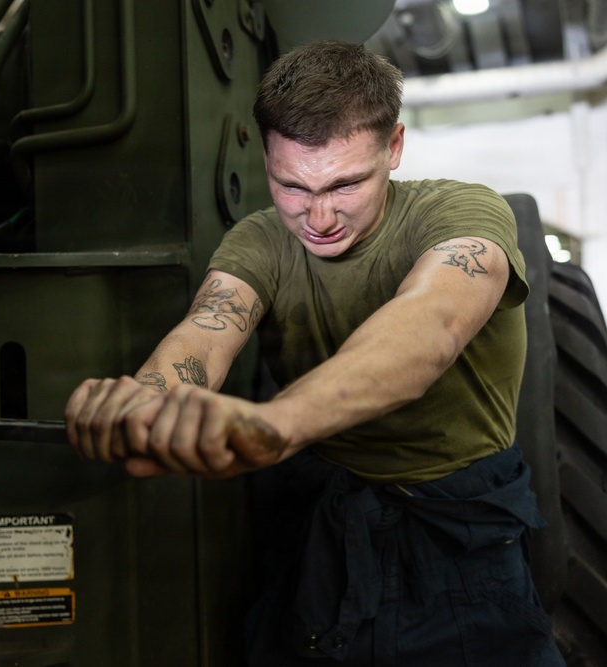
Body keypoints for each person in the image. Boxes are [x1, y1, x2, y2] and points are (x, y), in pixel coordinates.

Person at [63, 40, 565, 665]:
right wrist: (144, 402)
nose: (319, 216)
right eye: (291, 185)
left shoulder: (459, 212)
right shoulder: (260, 240)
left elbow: (429, 323)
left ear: (395, 147)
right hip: (322, 532)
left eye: (346, 183)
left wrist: (276, 424)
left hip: (459, 541)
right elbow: (208, 327)